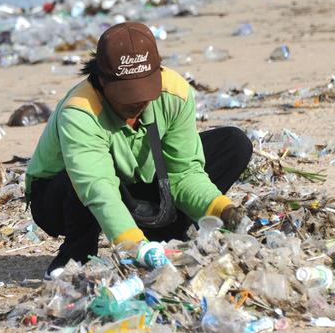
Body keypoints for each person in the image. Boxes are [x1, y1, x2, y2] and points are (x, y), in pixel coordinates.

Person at [26, 21, 252, 279]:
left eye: (145, 91)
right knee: (77, 179)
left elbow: (185, 172)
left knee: (233, 144)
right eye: (127, 94)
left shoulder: (174, 93)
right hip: (63, 197)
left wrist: (223, 210)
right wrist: (133, 246)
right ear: (102, 79)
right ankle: (77, 254)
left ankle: (169, 232)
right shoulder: (80, 112)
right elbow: (98, 187)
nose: (138, 102)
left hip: (133, 181)